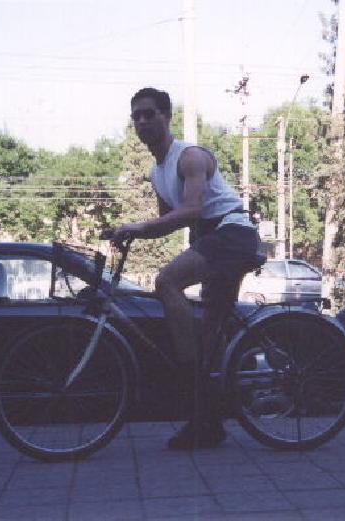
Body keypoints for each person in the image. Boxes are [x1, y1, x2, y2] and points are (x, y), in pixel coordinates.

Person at [104, 87, 264, 450]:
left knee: (167, 282)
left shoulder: (189, 157)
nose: (142, 121)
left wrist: (138, 228)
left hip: (231, 233)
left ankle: (187, 366)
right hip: (212, 239)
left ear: (166, 117)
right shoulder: (157, 171)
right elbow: (168, 221)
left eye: (149, 114)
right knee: (210, 335)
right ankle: (208, 422)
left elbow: (191, 211)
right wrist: (125, 231)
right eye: (136, 116)